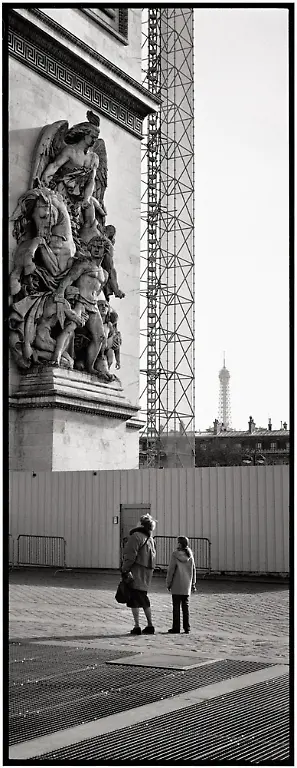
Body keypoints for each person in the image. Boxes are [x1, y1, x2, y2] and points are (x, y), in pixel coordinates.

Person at [121, 514, 157, 635]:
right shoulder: (151, 539)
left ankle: (137, 625)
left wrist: (125, 569)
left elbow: (130, 555)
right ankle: (149, 624)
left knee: (134, 599)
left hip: (136, 571)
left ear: (141, 524)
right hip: (147, 573)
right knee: (143, 597)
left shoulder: (136, 536)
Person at [166, 536, 196, 634]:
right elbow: (193, 570)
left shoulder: (175, 554)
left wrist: (168, 583)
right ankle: (187, 627)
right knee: (185, 606)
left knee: (176, 607)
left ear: (179, 544)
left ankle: (176, 628)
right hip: (186, 584)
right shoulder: (190, 554)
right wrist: (193, 583)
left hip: (176, 583)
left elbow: (171, 570)